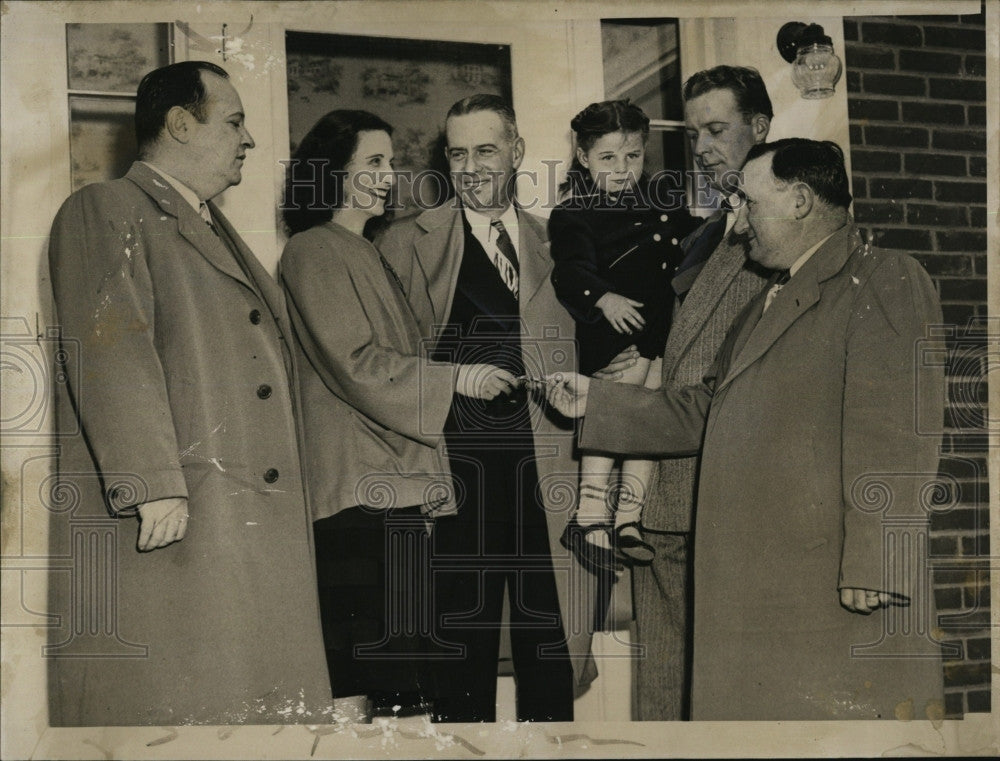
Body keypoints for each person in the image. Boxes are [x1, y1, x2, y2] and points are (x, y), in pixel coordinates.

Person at [546, 138, 945, 720]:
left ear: (801, 200)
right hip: (758, 577)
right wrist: (600, 402)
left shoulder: (886, 278)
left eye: (751, 203)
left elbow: (898, 428)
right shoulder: (768, 297)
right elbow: (708, 408)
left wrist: (879, 558)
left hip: (826, 573)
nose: (738, 226)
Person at [46, 61, 333, 725]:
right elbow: (112, 348)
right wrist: (152, 482)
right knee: (188, 705)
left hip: (243, 532)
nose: (249, 139)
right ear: (181, 123)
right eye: (234, 121)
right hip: (185, 521)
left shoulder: (211, 227)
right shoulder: (107, 208)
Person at [279, 109, 514, 720]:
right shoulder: (313, 250)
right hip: (359, 494)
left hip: (389, 491)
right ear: (333, 173)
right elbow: (357, 363)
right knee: (375, 683)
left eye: (391, 163)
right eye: (373, 164)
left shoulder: (362, 249)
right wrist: (459, 377)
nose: (390, 177)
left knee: (404, 685)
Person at [378, 94, 582, 722]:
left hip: (546, 475)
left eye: (485, 150)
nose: (470, 166)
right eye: (457, 152)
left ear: (516, 152)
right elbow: (382, 365)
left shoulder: (562, 243)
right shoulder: (404, 243)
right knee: (456, 658)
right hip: (453, 473)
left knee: (550, 651)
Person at [630, 64, 774, 720]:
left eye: (717, 129)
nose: (704, 146)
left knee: (721, 702)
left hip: (722, 497)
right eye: (695, 134)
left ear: (761, 128)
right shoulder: (706, 231)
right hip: (670, 495)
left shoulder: (780, 233)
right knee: (667, 695)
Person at [549, 99, 697, 576]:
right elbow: (570, 272)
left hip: (658, 332)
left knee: (648, 417)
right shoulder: (576, 213)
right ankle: (589, 515)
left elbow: (692, 244)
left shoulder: (663, 204)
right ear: (584, 157)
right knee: (616, 409)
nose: (622, 169)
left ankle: (629, 517)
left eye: (632, 156)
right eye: (608, 158)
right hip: (613, 333)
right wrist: (603, 298)